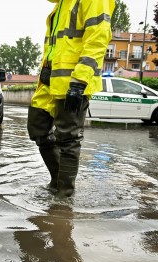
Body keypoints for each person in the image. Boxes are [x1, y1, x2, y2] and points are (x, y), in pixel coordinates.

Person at [27, 0, 115, 198]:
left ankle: (64, 195)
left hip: (74, 81)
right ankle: (58, 180)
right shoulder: (61, 4)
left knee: (68, 138)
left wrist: (80, 80)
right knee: (37, 129)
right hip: (49, 81)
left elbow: (97, 39)